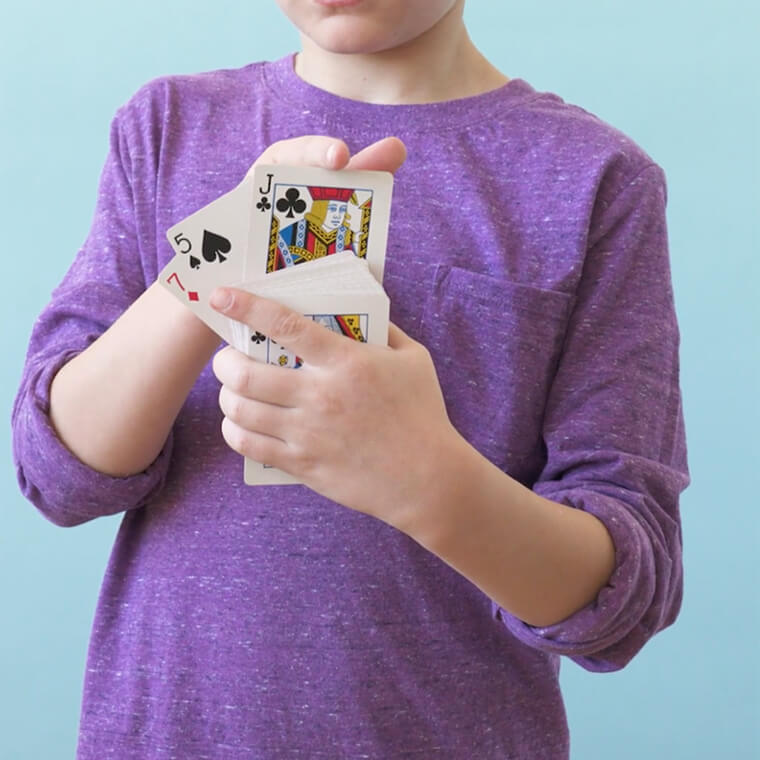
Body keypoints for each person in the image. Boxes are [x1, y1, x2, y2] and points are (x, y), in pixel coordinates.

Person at [11, 0, 690, 757]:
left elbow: (623, 599)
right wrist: (214, 264)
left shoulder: (597, 180)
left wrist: (429, 478)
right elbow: (57, 471)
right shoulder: (167, 125)